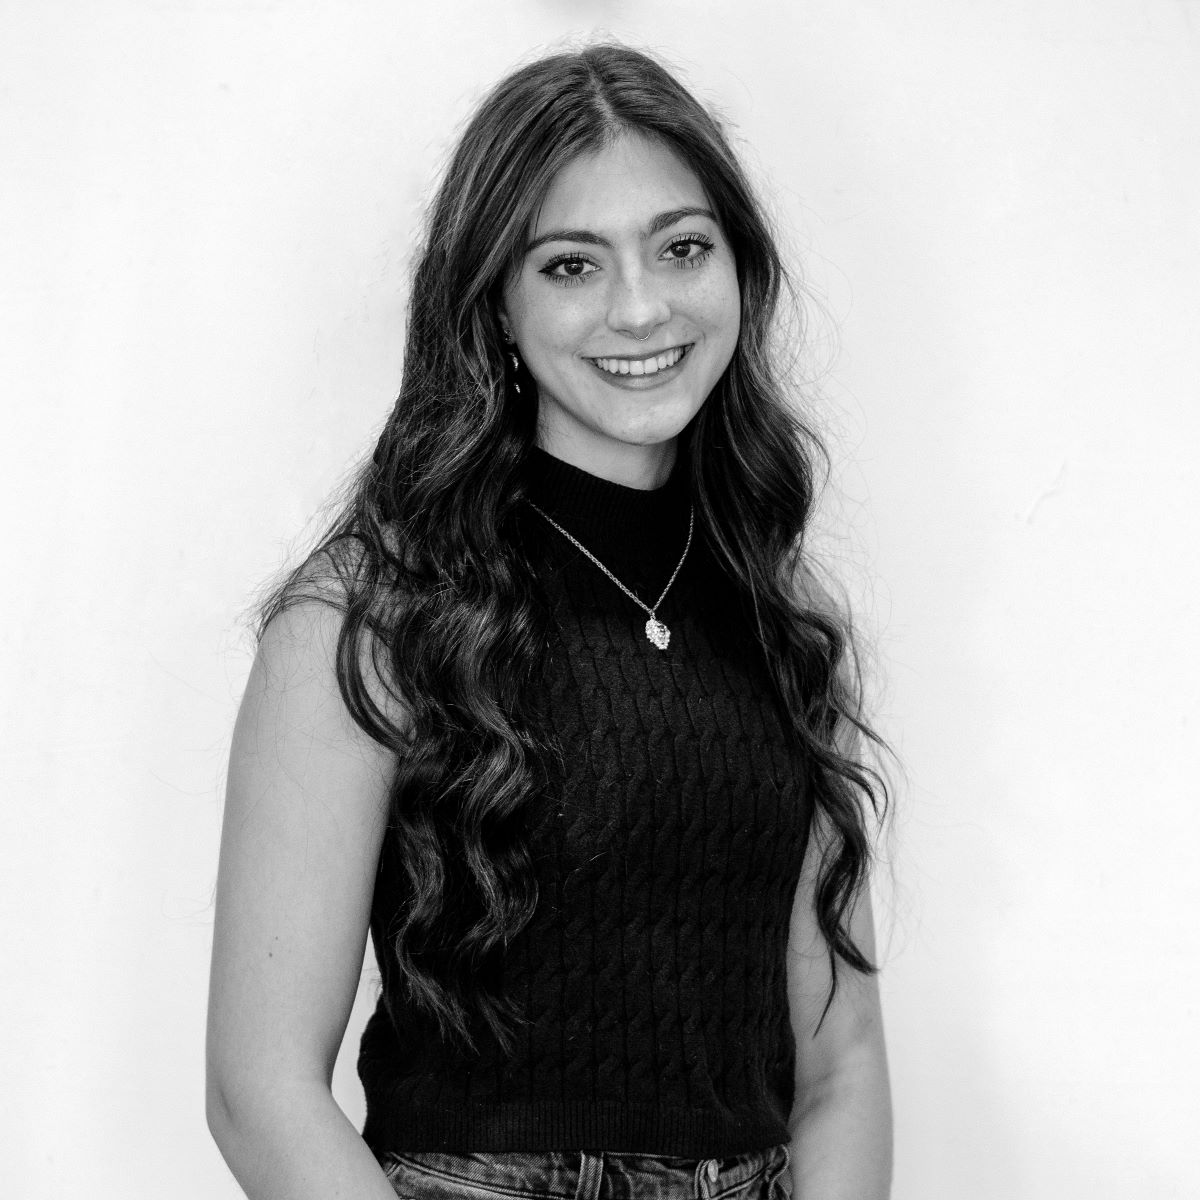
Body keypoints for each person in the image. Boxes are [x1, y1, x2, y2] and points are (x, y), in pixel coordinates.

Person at [206, 42, 892, 1200]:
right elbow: (258, 1089)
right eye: (572, 264)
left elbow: (842, 1062)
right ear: (496, 309)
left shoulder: (781, 618)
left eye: (682, 247)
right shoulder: (367, 618)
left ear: (739, 272)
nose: (640, 306)